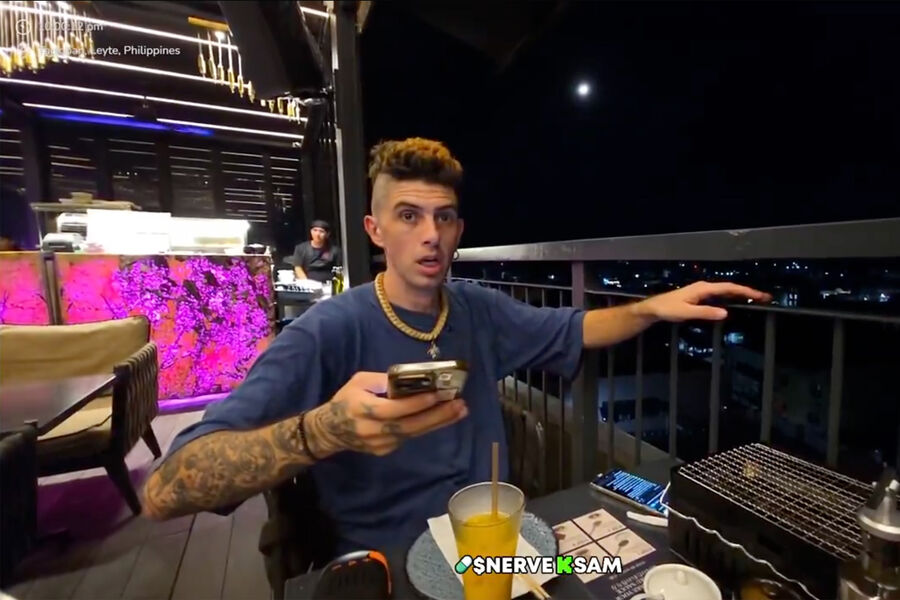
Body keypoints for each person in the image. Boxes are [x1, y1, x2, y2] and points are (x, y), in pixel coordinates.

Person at [142, 137, 770, 555]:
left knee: (619, 568)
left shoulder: (476, 308)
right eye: (409, 215)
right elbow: (166, 489)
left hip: (496, 550)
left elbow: (574, 329)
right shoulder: (326, 330)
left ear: (459, 229)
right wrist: (321, 431)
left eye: (443, 217)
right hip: (392, 565)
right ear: (375, 229)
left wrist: (654, 306)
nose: (431, 234)